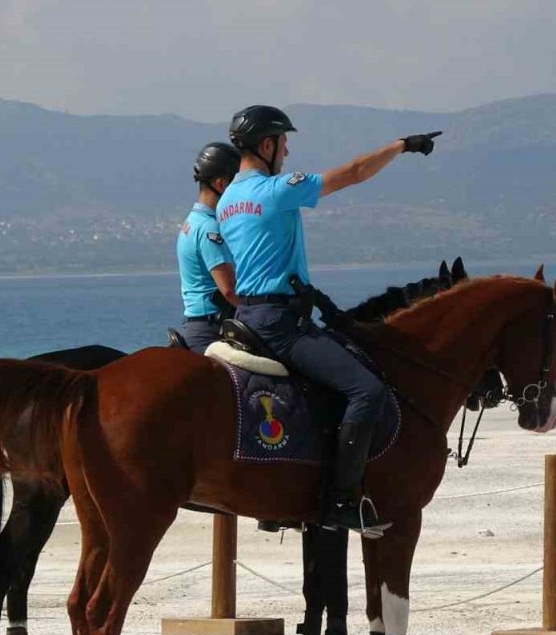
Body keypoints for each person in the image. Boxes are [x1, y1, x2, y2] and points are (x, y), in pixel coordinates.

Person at [216, 105, 441, 536]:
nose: (287, 151)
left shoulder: (226, 202)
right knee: (367, 390)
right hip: (280, 321)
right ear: (267, 145)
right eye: (284, 142)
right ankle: (341, 500)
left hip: (249, 314)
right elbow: (354, 172)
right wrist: (401, 145)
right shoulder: (276, 190)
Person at [174, 142, 241, 354]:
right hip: (212, 331)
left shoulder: (192, 222)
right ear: (221, 184)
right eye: (237, 187)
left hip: (197, 325)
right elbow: (229, 290)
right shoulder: (209, 228)